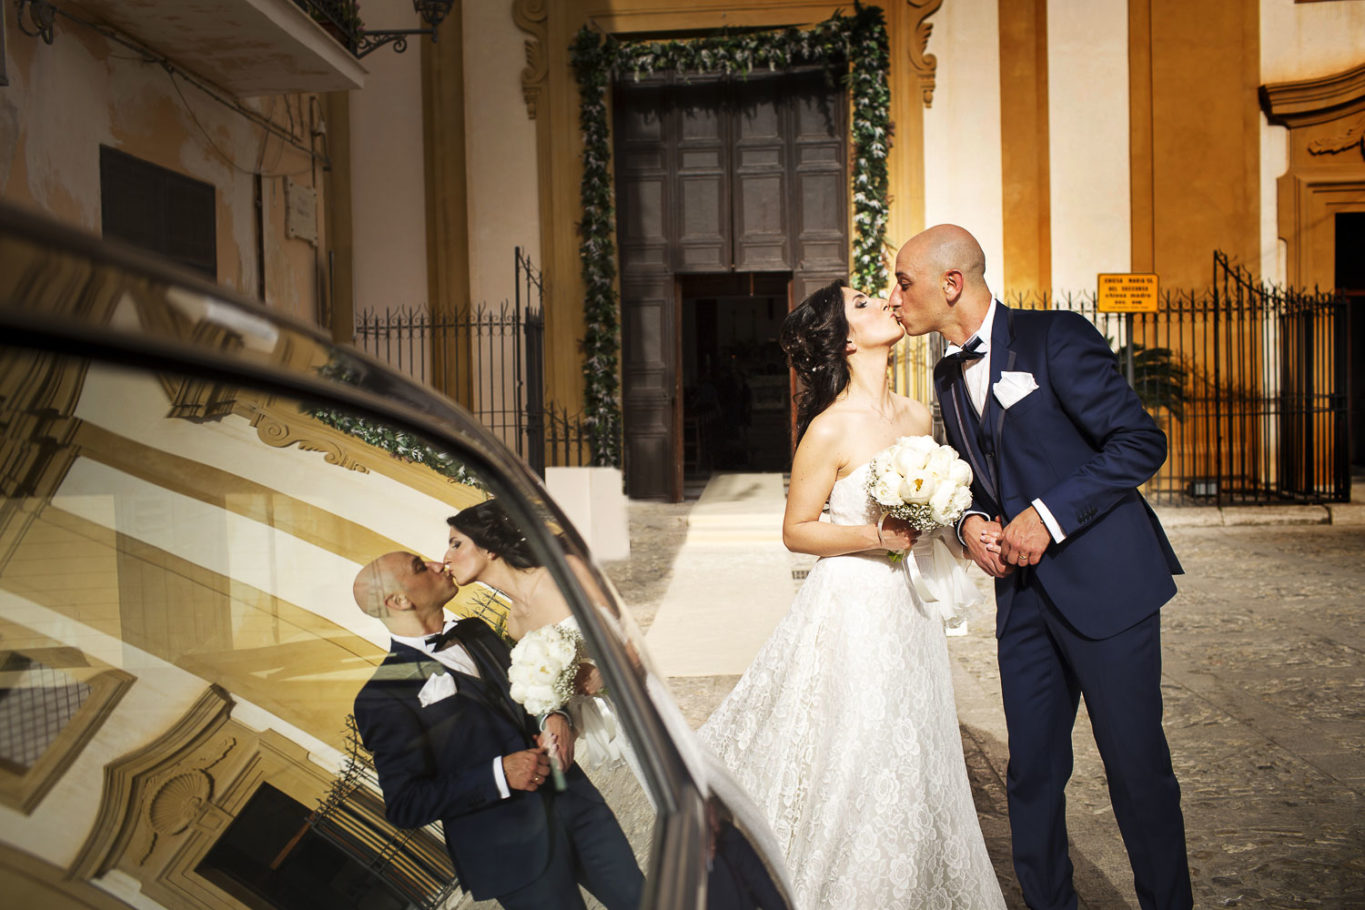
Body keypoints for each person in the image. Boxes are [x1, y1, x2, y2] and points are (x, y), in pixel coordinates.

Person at [890, 224, 1191, 910]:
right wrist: (968, 522)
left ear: (951, 284)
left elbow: (1139, 441)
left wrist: (1047, 516)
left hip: (1106, 588)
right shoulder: (944, 371)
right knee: (1029, 774)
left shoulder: (1053, 337)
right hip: (1022, 599)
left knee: (1136, 771)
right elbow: (977, 475)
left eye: (904, 282)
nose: (895, 297)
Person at [698, 279, 1006, 909]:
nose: (884, 302)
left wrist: (958, 524)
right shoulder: (829, 429)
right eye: (862, 303)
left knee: (912, 739)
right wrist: (877, 534)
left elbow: (931, 509)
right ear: (842, 341)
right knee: (863, 743)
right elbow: (796, 530)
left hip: (909, 608)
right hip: (855, 605)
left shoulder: (918, 413)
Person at [350, 551, 642, 910]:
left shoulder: (476, 632)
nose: (437, 564)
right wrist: (498, 775)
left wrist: (556, 716)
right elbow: (405, 805)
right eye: (419, 567)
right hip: (510, 855)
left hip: (575, 807)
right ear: (398, 600)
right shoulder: (382, 697)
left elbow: (533, 692)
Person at [444, 501, 627, 770]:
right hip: (621, 719)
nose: (446, 557)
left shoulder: (564, 571)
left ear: (489, 547)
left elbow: (634, 620)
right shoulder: (515, 626)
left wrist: (606, 668)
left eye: (456, 544)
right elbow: (568, 689)